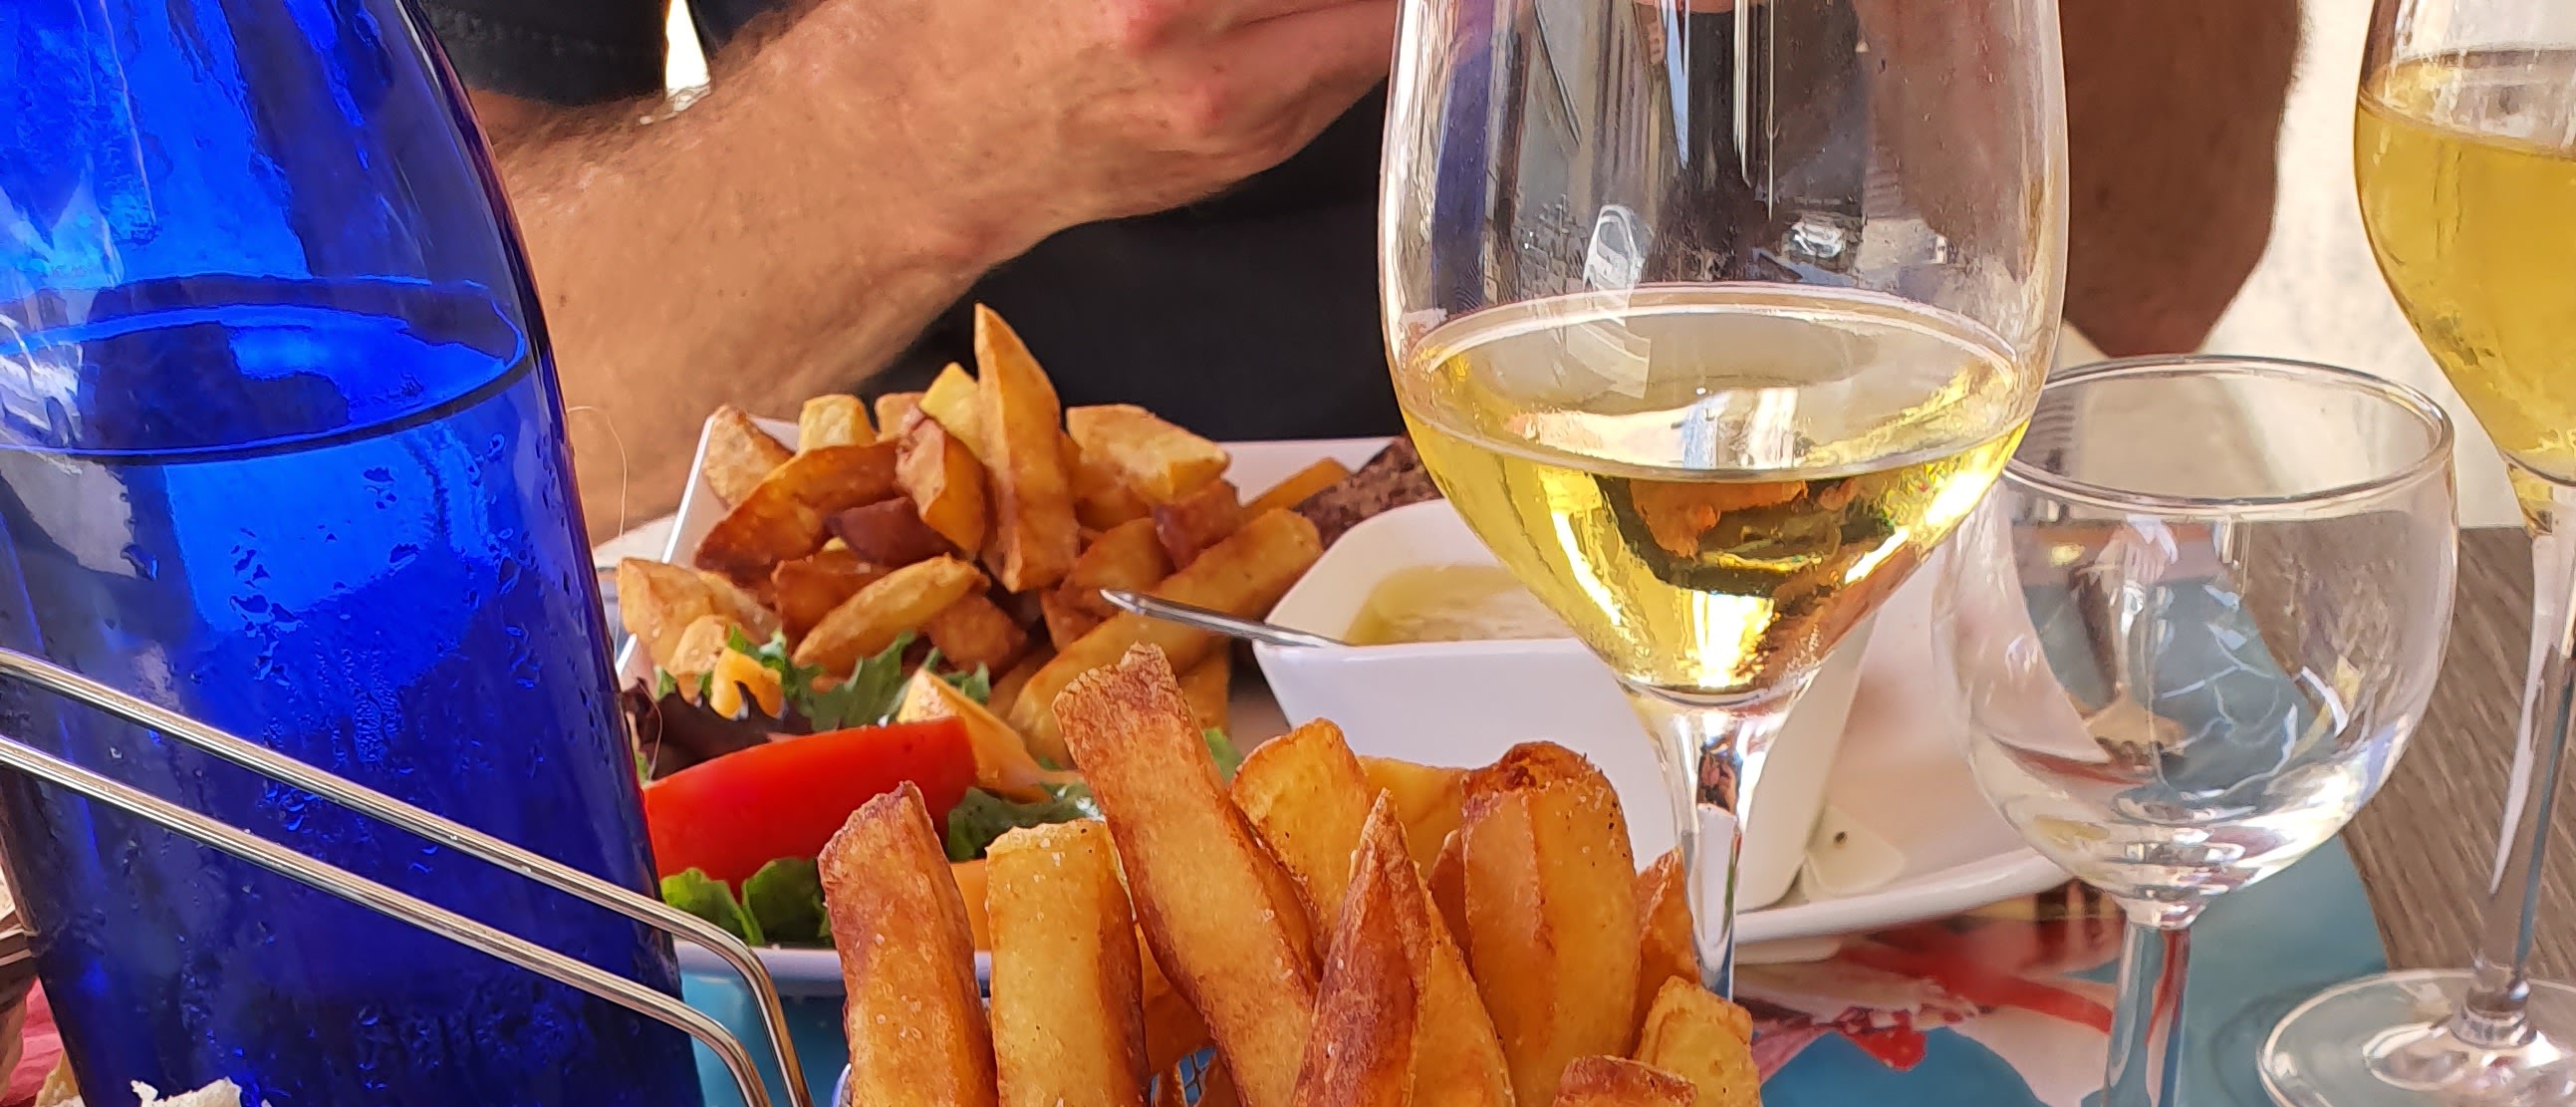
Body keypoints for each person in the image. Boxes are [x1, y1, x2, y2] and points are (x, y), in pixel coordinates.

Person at [434, 0, 2298, 525]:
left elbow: (2169, 259)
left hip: (1843, 636)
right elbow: (421, 406)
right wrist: (913, 121)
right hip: (953, 769)